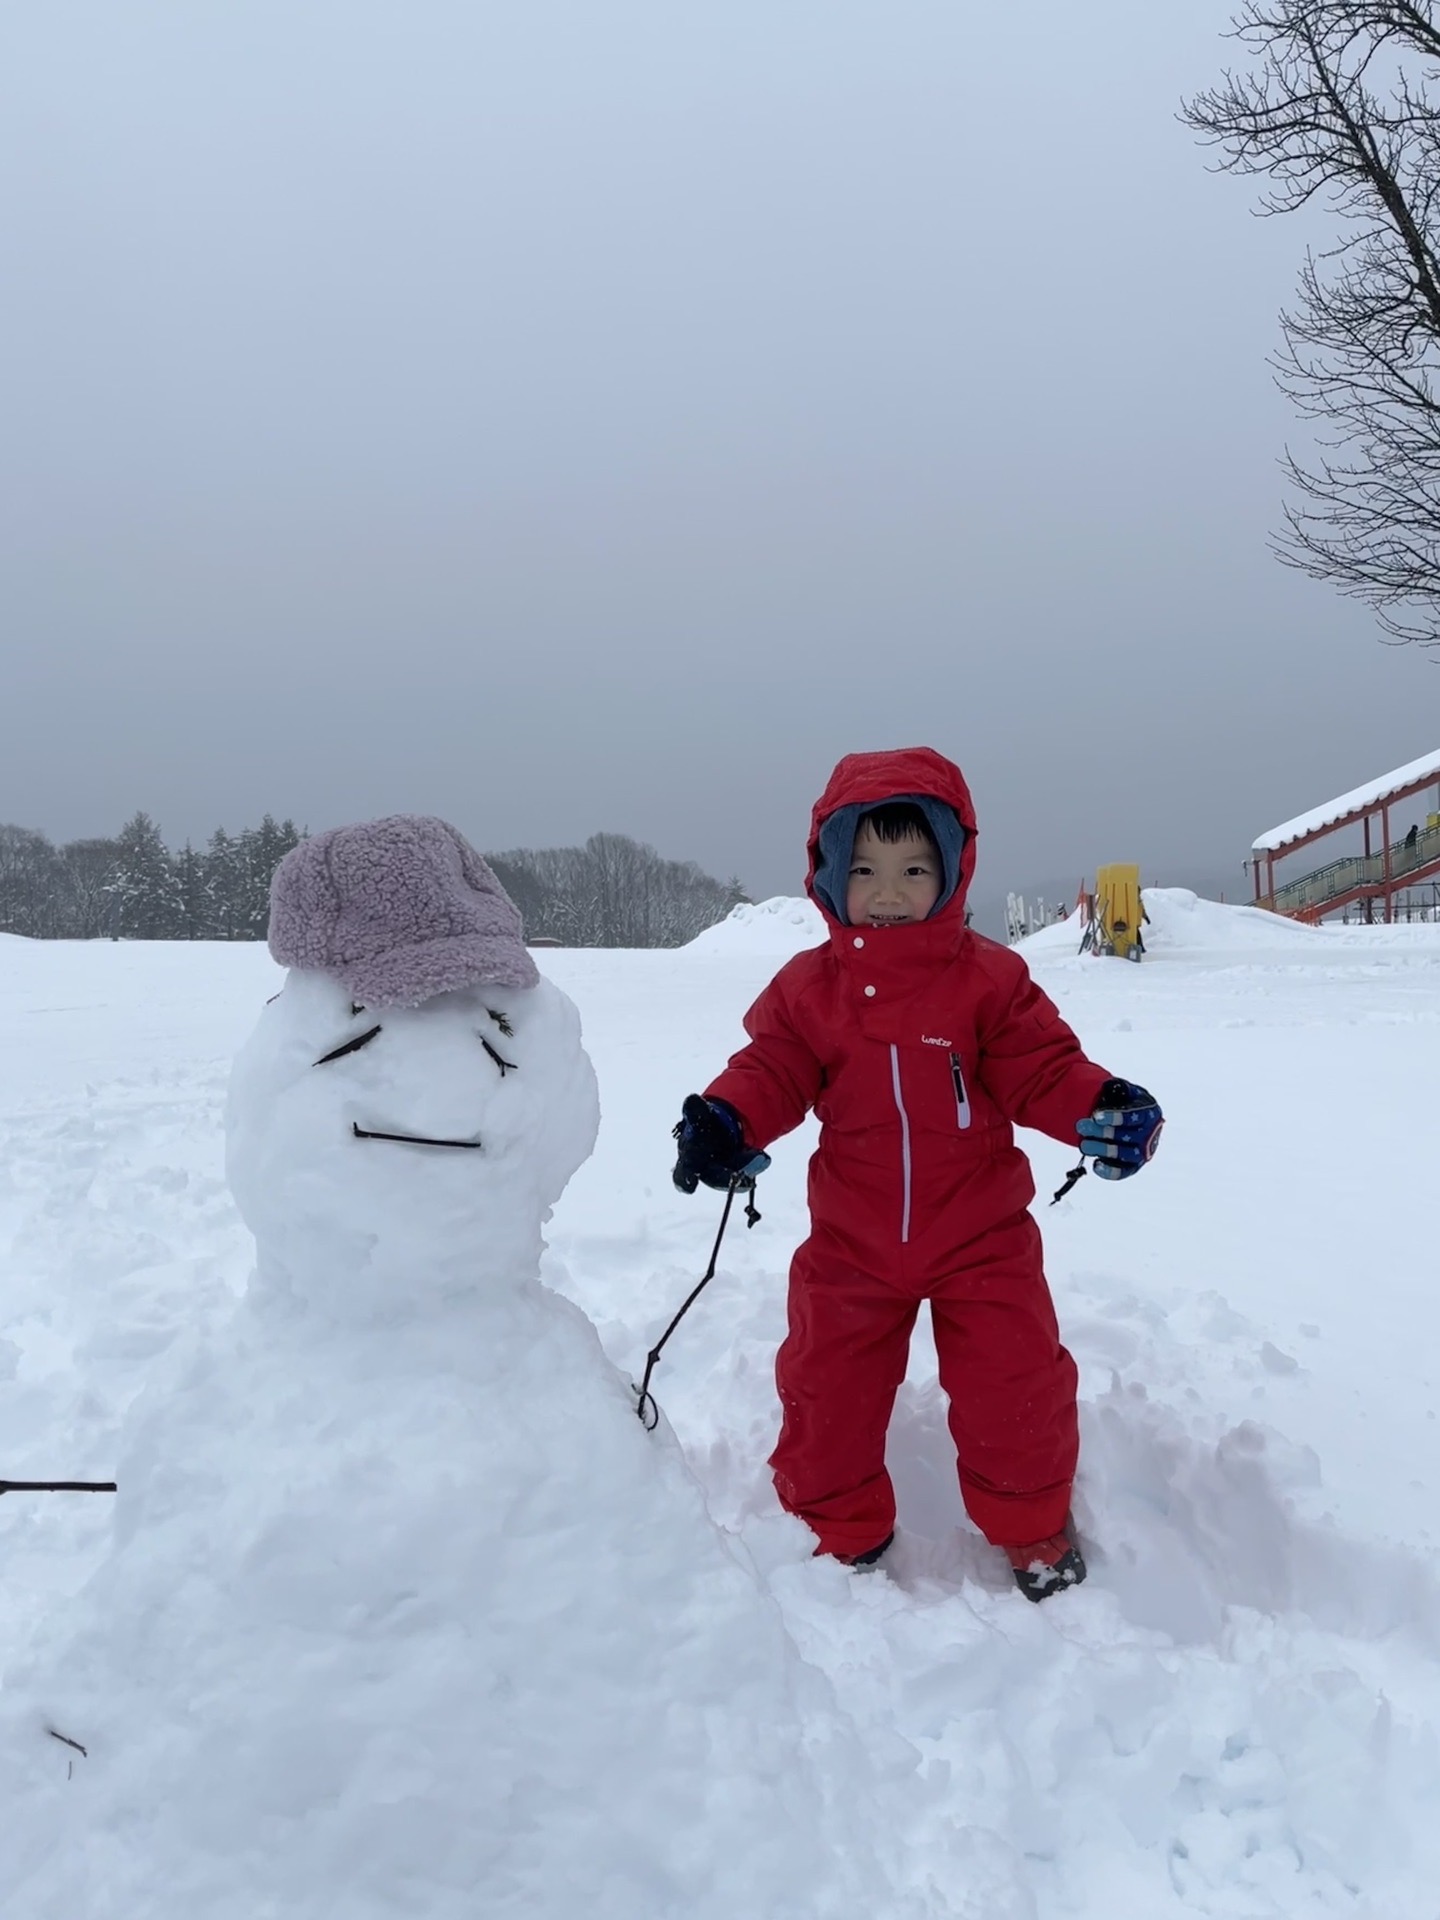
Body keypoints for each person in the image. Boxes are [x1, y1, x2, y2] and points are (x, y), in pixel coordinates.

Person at [670, 748, 1163, 1601]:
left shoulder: (989, 981)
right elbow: (774, 1067)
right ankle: (832, 1529)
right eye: (864, 869)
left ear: (953, 871)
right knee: (826, 1385)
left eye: (912, 868)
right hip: (854, 1242)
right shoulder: (809, 990)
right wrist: (725, 1117)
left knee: (1017, 1385)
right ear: (829, 874)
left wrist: (1104, 1107)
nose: (888, 892)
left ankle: (1031, 1531)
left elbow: (1042, 1068)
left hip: (980, 1236)